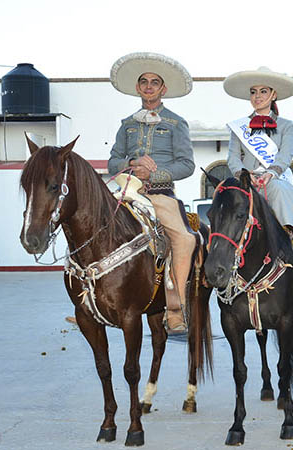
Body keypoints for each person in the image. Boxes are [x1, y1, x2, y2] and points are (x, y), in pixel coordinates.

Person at [108, 52, 197, 333]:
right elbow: (112, 161)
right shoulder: (127, 124)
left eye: (154, 82)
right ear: (138, 88)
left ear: (163, 89)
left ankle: (176, 308)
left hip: (159, 195)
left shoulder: (176, 123)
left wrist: (154, 174)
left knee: (184, 239)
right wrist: (131, 164)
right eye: (143, 82)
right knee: (88, 220)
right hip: (125, 192)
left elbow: (187, 165)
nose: (148, 86)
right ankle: (90, 298)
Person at [223, 67, 293, 292]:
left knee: (278, 191)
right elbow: (232, 156)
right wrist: (243, 173)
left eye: (263, 91)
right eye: (253, 92)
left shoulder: (285, 125)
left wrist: (271, 172)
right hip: (247, 180)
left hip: (276, 177)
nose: (257, 96)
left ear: (273, 95)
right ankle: (215, 262)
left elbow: (286, 153)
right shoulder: (238, 127)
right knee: (223, 201)